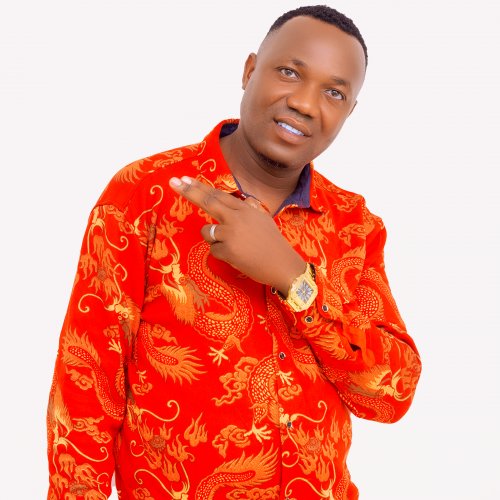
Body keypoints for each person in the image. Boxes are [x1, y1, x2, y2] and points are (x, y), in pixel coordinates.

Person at [47, 5, 421, 499]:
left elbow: (390, 395)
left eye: (334, 92)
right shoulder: (145, 194)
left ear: (349, 112)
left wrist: (295, 278)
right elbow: (85, 390)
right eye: (290, 72)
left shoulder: (355, 225)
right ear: (249, 71)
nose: (305, 103)